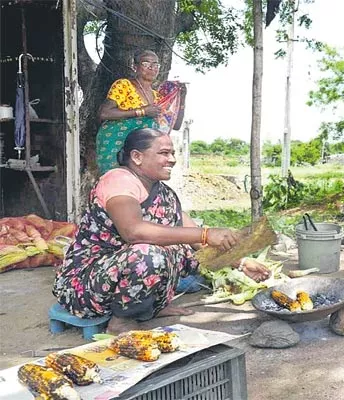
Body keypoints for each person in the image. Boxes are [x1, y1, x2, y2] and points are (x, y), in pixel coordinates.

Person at [53, 128, 270, 333]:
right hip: (87, 285)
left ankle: (147, 307)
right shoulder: (118, 180)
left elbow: (196, 239)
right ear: (137, 157)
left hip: (123, 276)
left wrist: (241, 263)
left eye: (173, 153)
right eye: (164, 153)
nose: (172, 160)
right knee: (148, 254)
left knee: (184, 251)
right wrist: (206, 233)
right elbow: (134, 232)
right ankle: (121, 322)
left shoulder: (164, 193)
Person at [95, 50, 187, 174]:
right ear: (135, 67)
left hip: (142, 155)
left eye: (155, 65)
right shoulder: (124, 85)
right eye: (146, 63)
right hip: (116, 148)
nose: (151, 68)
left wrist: (181, 98)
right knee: (119, 182)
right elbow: (104, 113)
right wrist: (142, 111)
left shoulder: (158, 97)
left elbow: (174, 125)